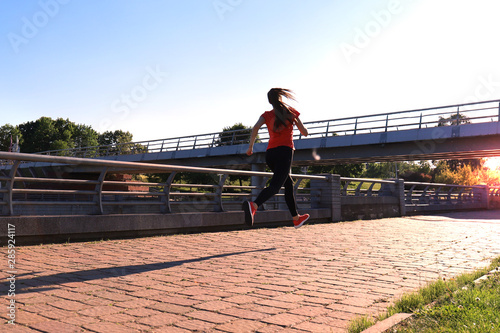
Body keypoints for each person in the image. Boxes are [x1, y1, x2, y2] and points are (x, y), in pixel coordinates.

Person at [243, 88, 310, 228]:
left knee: (288, 183)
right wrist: (301, 128)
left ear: (269, 101)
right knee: (276, 186)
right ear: (281, 98)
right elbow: (304, 133)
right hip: (284, 152)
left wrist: (251, 147)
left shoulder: (266, 115)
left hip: (270, 154)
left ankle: (296, 218)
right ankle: (254, 205)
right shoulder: (291, 112)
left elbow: (255, 128)